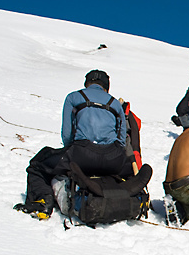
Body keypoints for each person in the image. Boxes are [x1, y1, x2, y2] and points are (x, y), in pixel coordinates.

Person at [14, 69, 130, 219]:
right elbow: (121, 140)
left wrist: (72, 153)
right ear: (106, 86)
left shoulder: (74, 97)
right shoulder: (115, 103)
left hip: (82, 155)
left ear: (87, 83)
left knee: (38, 164)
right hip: (113, 159)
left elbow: (67, 135)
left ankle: (43, 201)